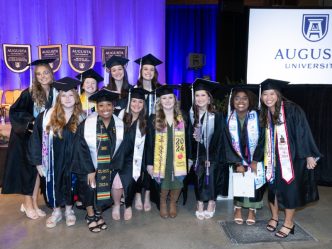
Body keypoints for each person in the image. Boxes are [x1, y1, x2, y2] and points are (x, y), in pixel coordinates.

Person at [254, 79, 321, 238]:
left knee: (290, 191)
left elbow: (303, 132)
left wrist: (309, 155)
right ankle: (275, 217)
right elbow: (263, 139)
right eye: (265, 94)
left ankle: (289, 223)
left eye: (272, 94)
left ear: (278, 94)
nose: (268, 97)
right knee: (273, 190)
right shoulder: (265, 112)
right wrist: (256, 158)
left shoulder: (292, 109)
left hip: (292, 159)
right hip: (271, 159)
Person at [2, 59, 57, 220]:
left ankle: (32, 201)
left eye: (45, 72)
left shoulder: (55, 91)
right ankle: (27, 203)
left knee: (37, 171)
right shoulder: (30, 92)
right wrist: (32, 122)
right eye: (39, 74)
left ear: (51, 73)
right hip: (25, 137)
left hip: (43, 138)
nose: (42, 76)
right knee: (27, 171)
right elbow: (15, 111)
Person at [28, 77, 84, 228]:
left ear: (76, 97)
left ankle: (69, 210)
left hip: (74, 160)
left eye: (71, 95)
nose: (67, 99)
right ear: (59, 97)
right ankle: (56, 211)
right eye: (63, 95)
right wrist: (38, 161)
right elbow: (36, 140)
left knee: (71, 184)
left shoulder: (82, 117)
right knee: (54, 184)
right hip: (53, 160)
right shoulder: (46, 116)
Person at [72, 88, 125, 232]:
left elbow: (121, 149)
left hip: (108, 167)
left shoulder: (119, 125)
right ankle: (90, 216)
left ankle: (98, 213)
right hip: (87, 167)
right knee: (89, 189)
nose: (105, 109)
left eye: (109, 105)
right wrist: (89, 170)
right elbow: (80, 148)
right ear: (96, 107)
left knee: (104, 189)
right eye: (101, 105)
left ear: (113, 107)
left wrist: (115, 167)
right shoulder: (86, 124)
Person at [224, 86, 266, 225]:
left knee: (254, 183)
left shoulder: (258, 117)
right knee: (240, 181)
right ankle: (238, 208)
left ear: (250, 100)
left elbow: (262, 140)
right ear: (232, 101)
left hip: (255, 159)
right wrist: (237, 163)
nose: (240, 101)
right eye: (237, 98)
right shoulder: (228, 119)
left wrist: (255, 160)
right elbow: (227, 143)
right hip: (238, 160)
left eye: (244, 98)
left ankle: (252, 210)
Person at [146, 85, 188, 218]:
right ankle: (163, 201)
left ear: (175, 100)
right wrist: (149, 164)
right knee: (163, 180)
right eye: (164, 98)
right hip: (161, 156)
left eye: (170, 97)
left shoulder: (183, 117)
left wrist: (191, 159)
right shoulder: (153, 118)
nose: (168, 100)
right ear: (160, 101)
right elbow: (149, 143)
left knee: (178, 179)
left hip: (178, 155)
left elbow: (190, 141)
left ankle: (173, 202)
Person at [189, 78, 228, 220]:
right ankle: (199, 202)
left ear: (209, 98)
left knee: (212, 175)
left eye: (203, 95)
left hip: (213, 154)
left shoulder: (216, 116)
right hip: (197, 154)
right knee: (198, 175)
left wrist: (211, 156)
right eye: (197, 95)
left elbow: (220, 137)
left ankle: (211, 202)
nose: (200, 98)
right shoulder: (191, 114)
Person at [133, 53, 163, 210]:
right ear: (141, 71)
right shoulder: (135, 90)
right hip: (139, 130)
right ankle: (137, 194)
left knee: (152, 163)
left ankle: (148, 195)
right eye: (146, 69)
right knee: (139, 162)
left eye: (152, 69)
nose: (148, 72)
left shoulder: (160, 90)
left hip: (156, 132)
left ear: (155, 72)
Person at [117, 88, 150, 220]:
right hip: (120, 155)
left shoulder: (145, 122)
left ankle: (129, 204)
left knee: (133, 175)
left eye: (140, 102)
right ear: (129, 102)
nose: (136, 105)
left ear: (144, 105)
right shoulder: (120, 116)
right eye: (134, 101)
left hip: (135, 156)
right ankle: (120, 202)